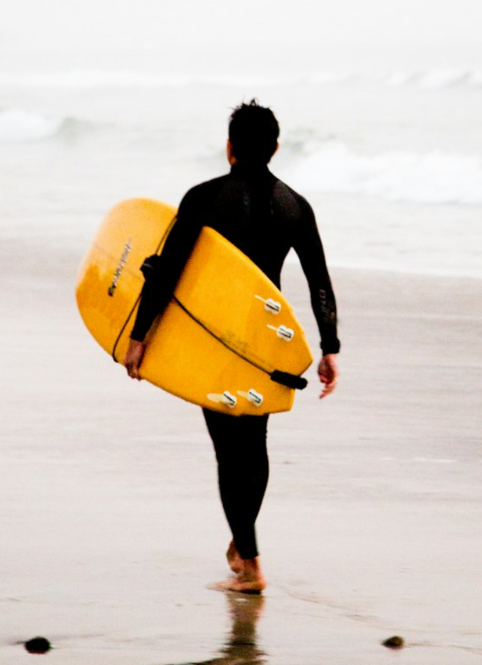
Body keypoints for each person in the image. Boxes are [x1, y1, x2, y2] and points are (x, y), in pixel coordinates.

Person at [123, 100, 340, 594]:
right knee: (255, 446)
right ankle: (242, 546)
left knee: (228, 452)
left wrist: (139, 336)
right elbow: (318, 282)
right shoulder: (296, 207)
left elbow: (166, 269)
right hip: (265, 341)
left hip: (214, 338)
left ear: (229, 147)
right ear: (276, 148)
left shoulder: (203, 197)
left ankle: (251, 565)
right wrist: (330, 346)